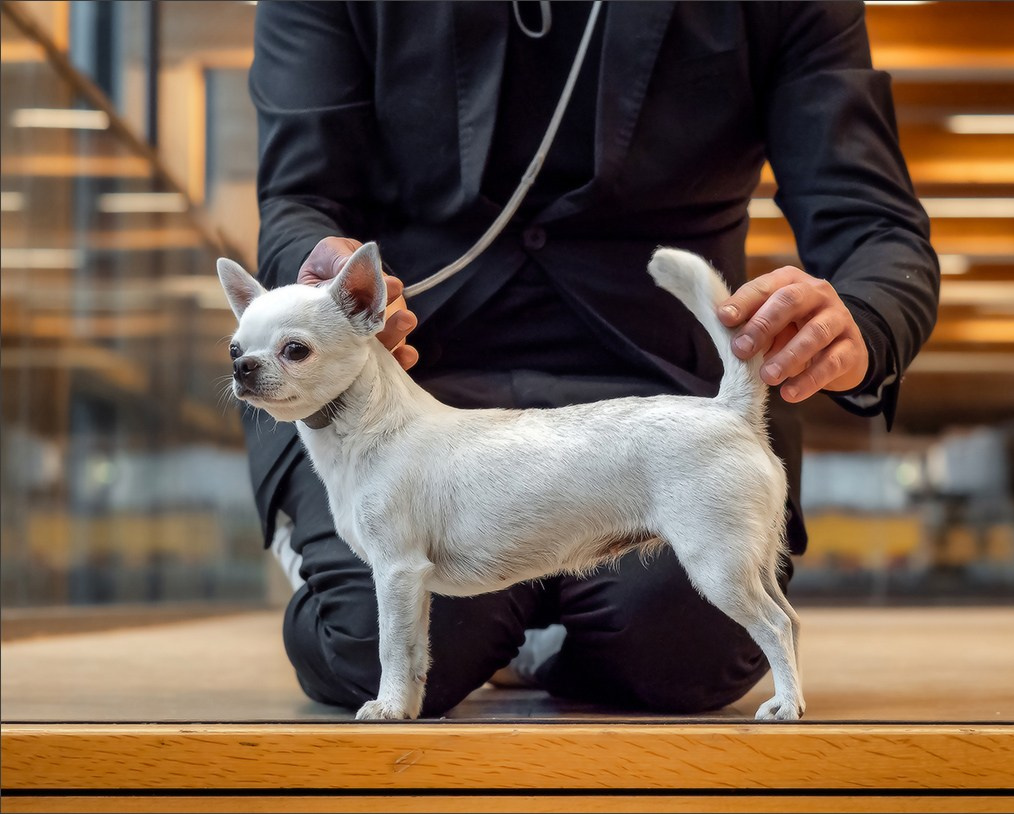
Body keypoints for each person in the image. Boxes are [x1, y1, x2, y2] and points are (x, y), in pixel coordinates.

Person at [244, 1, 939, 716]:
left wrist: (861, 318)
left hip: (667, 385)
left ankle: (532, 635)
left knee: (687, 653)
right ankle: (500, 623)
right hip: (409, 384)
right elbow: (299, 195)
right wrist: (315, 286)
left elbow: (873, 222)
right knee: (365, 646)